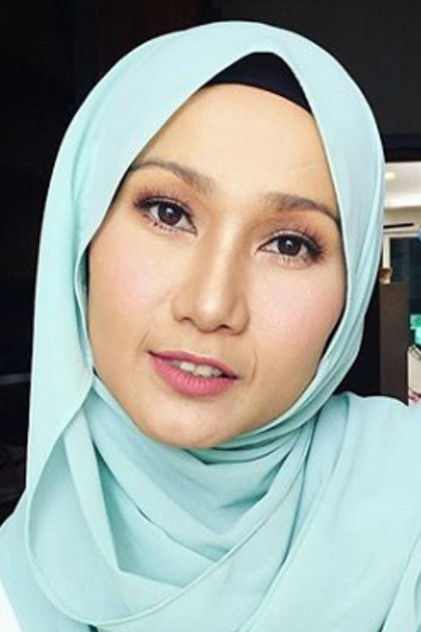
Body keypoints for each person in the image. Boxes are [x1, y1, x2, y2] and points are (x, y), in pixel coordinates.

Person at [0, 19, 420, 632]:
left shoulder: (408, 496)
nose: (211, 304)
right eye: (168, 212)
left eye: (289, 244)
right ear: (82, 234)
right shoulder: (13, 587)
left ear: (349, 294)